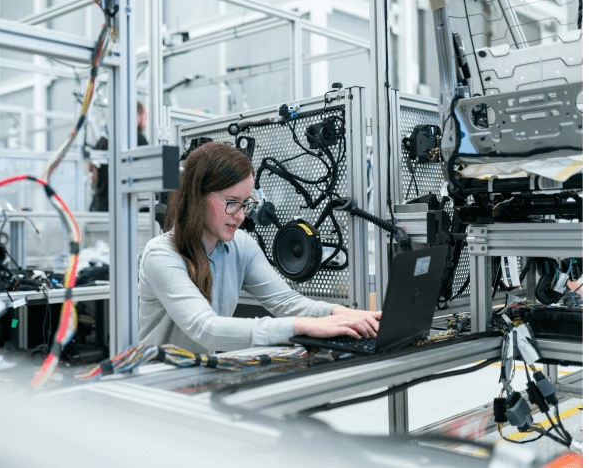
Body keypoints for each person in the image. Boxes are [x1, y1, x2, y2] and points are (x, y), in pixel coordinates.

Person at [139, 142, 382, 354]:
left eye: (246, 204)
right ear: (197, 197)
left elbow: (287, 302)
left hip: (201, 375)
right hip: (159, 384)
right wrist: (303, 326)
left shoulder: (240, 245)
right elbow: (206, 329)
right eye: (232, 203)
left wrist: (342, 314)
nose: (241, 216)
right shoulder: (162, 255)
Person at [89, 102, 148, 212]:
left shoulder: (106, 138)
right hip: (124, 202)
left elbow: (92, 168)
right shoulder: (138, 139)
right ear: (137, 116)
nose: (145, 122)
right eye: (145, 117)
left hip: (100, 201)